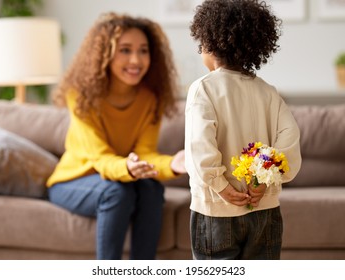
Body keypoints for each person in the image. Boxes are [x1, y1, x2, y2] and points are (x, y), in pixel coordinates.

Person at [46, 12, 186, 260]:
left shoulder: (150, 99)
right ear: (104, 54)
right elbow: (99, 157)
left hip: (120, 177)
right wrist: (127, 168)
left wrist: (173, 163)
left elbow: (145, 153)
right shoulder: (80, 95)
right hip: (71, 181)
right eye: (125, 50)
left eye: (143, 50)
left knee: (151, 189)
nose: (136, 59)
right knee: (117, 192)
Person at [185, 0, 302, 260]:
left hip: (216, 211)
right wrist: (263, 182)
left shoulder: (203, 88)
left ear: (208, 43)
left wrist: (220, 185)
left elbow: (198, 147)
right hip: (265, 210)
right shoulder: (269, 92)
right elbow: (289, 142)